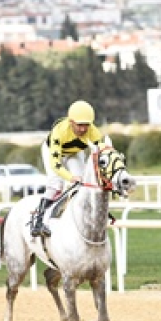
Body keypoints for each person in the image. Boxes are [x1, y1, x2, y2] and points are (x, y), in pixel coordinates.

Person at [30, 100, 110, 237]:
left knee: (81, 185)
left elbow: (103, 152)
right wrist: (70, 177)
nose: (83, 129)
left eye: (86, 125)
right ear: (71, 121)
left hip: (74, 153)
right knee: (56, 184)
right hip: (53, 152)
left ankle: (81, 218)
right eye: (80, 125)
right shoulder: (59, 131)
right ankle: (38, 222)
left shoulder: (93, 132)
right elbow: (56, 164)